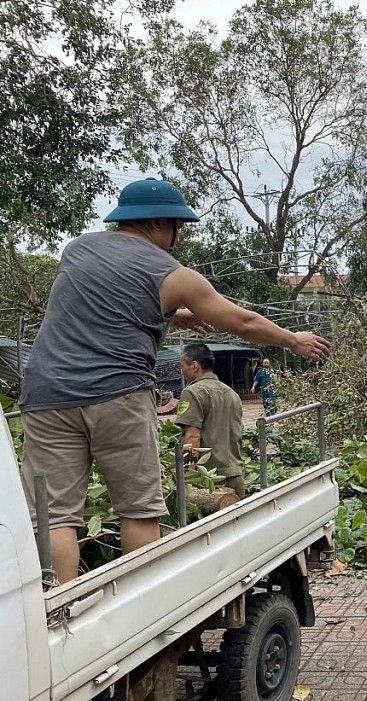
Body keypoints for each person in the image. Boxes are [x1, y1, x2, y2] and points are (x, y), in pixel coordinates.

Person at [18, 177, 330, 586]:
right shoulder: (177, 276)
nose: (175, 240)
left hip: (45, 395)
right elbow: (242, 321)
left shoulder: (77, 249)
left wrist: (173, 314)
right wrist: (294, 339)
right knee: (138, 510)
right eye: (176, 229)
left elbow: (104, 302)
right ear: (162, 224)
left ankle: (54, 619)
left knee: (54, 516)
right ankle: (139, 619)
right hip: (118, 395)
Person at [175, 343, 245, 499]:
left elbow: (193, 436)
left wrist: (189, 475)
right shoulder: (232, 393)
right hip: (236, 474)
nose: (182, 371)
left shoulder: (192, 392)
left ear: (194, 366)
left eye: (182, 366)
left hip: (209, 480)